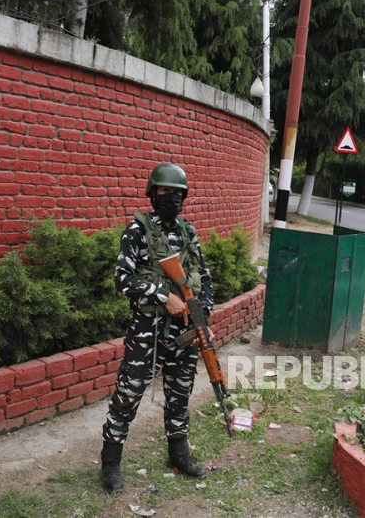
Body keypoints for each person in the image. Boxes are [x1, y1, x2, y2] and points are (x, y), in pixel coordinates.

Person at [100, 162, 214, 494]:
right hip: (148, 329)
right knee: (129, 394)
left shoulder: (188, 232)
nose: (172, 198)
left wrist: (202, 318)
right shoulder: (136, 231)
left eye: (178, 193)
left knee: (180, 393)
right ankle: (110, 463)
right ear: (153, 193)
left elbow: (205, 280)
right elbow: (123, 279)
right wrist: (164, 297)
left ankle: (179, 455)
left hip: (184, 331)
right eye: (166, 191)